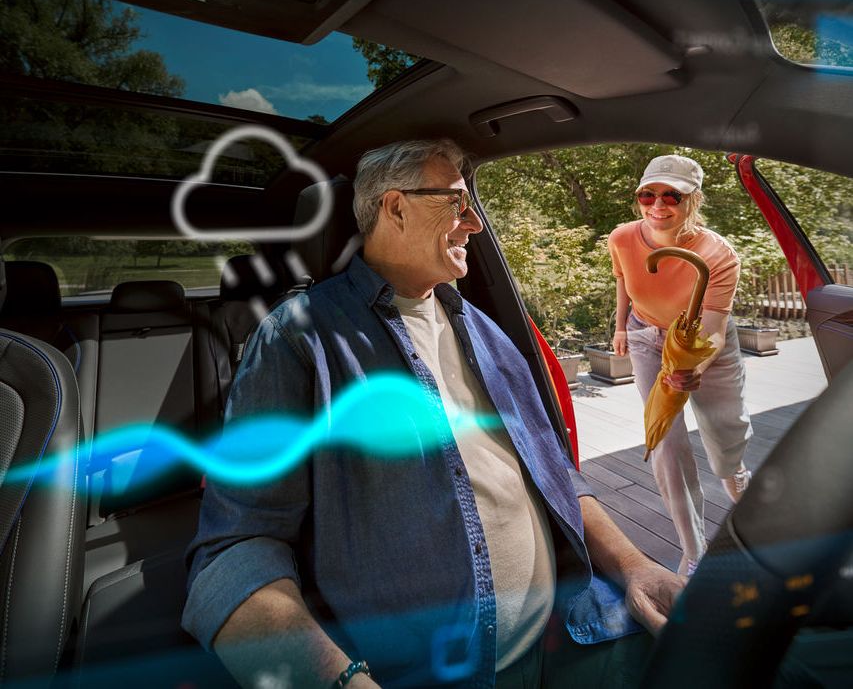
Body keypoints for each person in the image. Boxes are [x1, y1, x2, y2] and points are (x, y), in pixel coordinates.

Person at [183, 139, 684, 689]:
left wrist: (636, 567)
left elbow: (555, 475)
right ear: (395, 207)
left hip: (571, 630)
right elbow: (235, 548)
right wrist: (341, 681)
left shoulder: (482, 327)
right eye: (457, 203)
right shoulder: (296, 338)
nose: (475, 224)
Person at [608, 154, 753, 576]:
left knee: (724, 431)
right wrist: (620, 327)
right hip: (646, 336)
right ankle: (693, 550)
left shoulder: (717, 254)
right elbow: (623, 281)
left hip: (702, 342)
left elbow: (715, 331)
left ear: (693, 199)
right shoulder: (621, 237)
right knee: (665, 444)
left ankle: (739, 484)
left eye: (672, 195)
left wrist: (696, 368)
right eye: (648, 194)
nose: (658, 204)